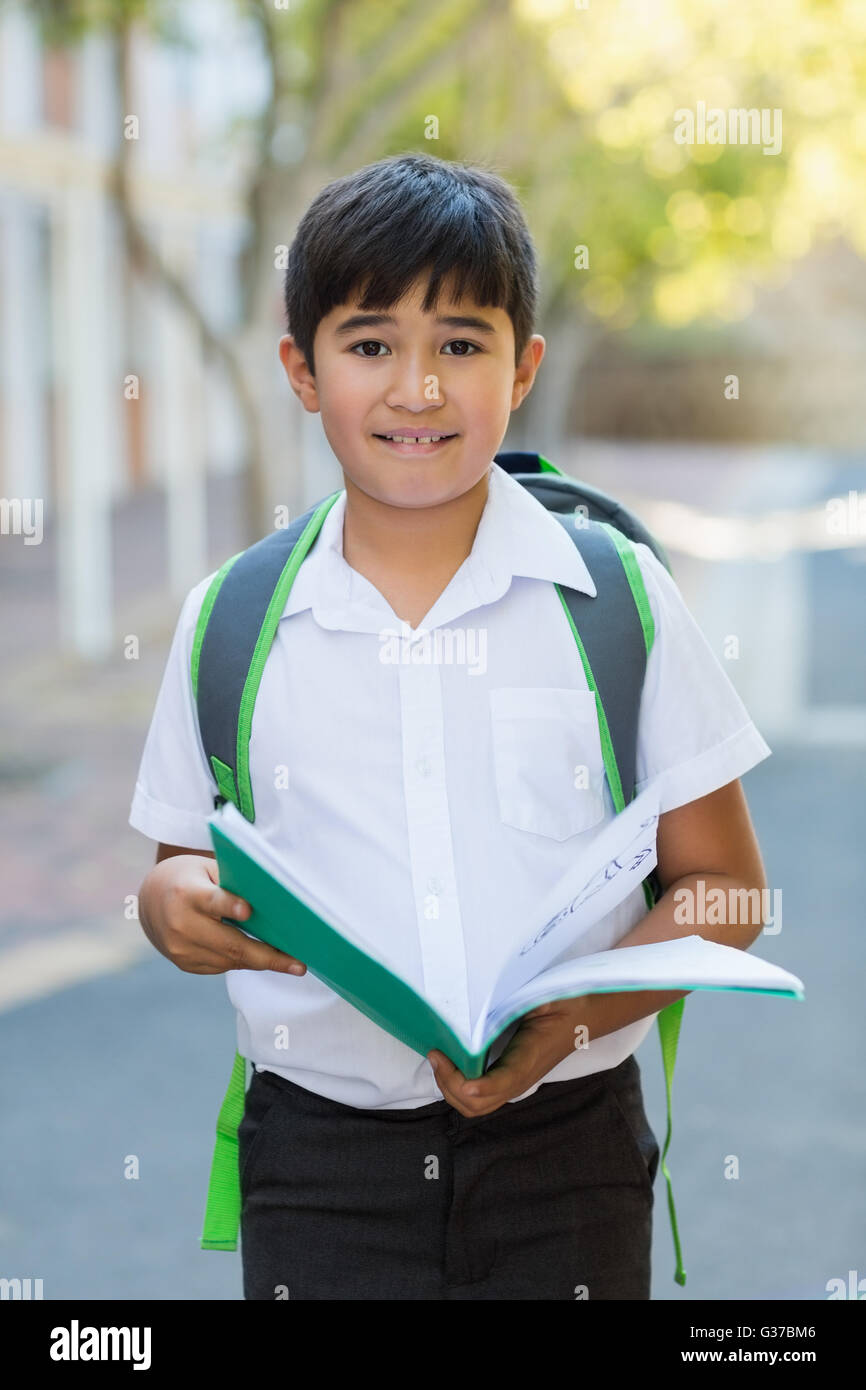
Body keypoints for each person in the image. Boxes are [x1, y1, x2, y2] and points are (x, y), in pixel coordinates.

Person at [129, 152, 771, 1300]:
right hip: (320, 1165)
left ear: (520, 368)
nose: (416, 388)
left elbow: (723, 891)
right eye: (369, 344)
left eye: (460, 346)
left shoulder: (612, 598)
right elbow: (179, 864)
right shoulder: (230, 620)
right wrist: (169, 907)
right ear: (301, 368)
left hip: (567, 1159)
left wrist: (575, 1019)